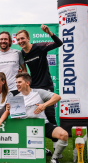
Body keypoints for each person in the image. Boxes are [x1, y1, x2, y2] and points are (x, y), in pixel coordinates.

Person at [16, 24, 63, 155]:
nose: (20, 41)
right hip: (34, 88)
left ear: (28, 38)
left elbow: (59, 43)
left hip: (46, 86)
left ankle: (56, 152)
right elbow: (25, 71)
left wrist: (49, 33)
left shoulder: (39, 47)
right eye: (18, 39)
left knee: (50, 118)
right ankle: (41, 149)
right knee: (34, 119)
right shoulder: (21, 54)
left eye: (22, 38)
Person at [15, 72, 68, 163]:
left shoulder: (38, 92)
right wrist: (11, 110)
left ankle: (54, 158)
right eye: (16, 82)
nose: (17, 85)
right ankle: (42, 149)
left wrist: (44, 105)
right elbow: (17, 118)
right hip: (25, 128)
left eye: (19, 82)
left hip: (42, 125)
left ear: (27, 83)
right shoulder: (16, 98)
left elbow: (57, 97)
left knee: (64, 135)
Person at [0, 31, 27, 96]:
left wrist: (23, 84)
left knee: (17, 106)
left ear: (9, 41)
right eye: (1, 39)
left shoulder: (17, 53)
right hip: (1, 90)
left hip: (16, 89)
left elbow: (24, 69)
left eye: (6, 39)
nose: (3, 41)